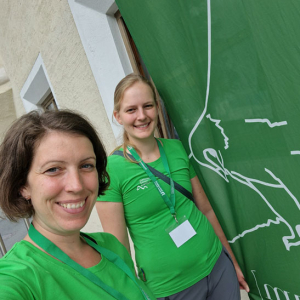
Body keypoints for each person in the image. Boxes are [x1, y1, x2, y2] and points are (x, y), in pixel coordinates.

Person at [96, 74, 250, 300]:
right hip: (171, 289)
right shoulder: (111, 171)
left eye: (148, 106)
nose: (142, 116)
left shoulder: (176, 149)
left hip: (217, 267)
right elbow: (120, 251)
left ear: (157, 108)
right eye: (131, 110)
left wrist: (232, 261)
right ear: (118, 116)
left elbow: (206, 210)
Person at [0, 110, 155, 300]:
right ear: (22, 185)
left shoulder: (111, 246)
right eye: (53, 169)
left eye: (86, 165)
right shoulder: (17, 277)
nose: (77, 185)